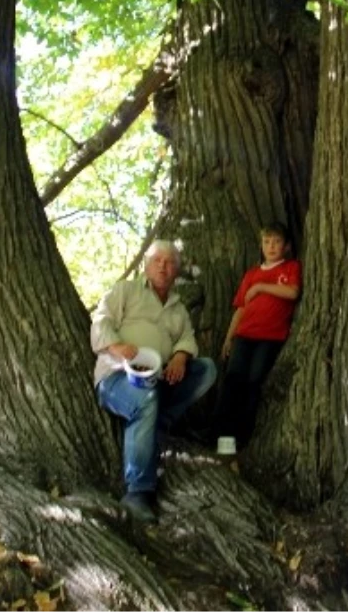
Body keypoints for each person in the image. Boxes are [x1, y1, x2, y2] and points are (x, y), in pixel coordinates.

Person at [91, 240, 217, 523]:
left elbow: (187, 338)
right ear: (147, 265)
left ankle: (158, 421)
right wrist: (117, 346)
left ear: (176, 271)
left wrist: (180, 357)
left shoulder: (176, 308)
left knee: (205, 369)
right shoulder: (125, 291)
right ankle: (138, 491)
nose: (163, 266)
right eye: (158, 260)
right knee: (145, 400)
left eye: (170, 262)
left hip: (157, 379)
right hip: (117, 378)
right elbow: (101, 320)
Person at [214, 222, 301, 454]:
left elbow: (292, 292)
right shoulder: (251, 274)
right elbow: (240, 309)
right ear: (261, 245)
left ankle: (242, 439)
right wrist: (228, 338)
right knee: (233, 381)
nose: (271, 247)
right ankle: (224, 439)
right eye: (266, 242)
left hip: (270, 337)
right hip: (244, 335)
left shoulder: (290, 267)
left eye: (277, 242)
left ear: (287, 246)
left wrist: (262, 287)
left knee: (254, 382)